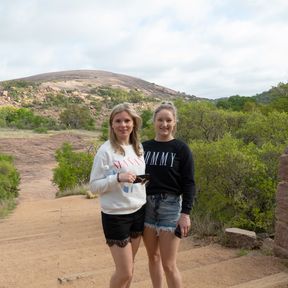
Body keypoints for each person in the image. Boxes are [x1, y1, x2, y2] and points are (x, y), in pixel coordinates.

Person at [89, 103, 146, 288]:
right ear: (111, 125)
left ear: (134, 123)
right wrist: (117, 178)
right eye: (118, 121)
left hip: (138, 211)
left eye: (127, 120)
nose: (123, 125)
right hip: (116, 216)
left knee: (130, 268)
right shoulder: (105, 151)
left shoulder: (137, 147)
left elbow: (136, 177)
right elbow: (94, 186)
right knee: (124, 272)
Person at [142, 101, 196, 288]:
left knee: (169, 264)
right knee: (153, 257)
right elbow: (140, 177)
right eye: (160, 120)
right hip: (146, 206)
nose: (164, 124)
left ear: (174, 123)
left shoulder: (181, 149)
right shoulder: (143, 147)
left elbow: (189, 182)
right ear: (154, 122)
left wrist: (185, 214)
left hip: (171, 207)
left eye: (168, 120)